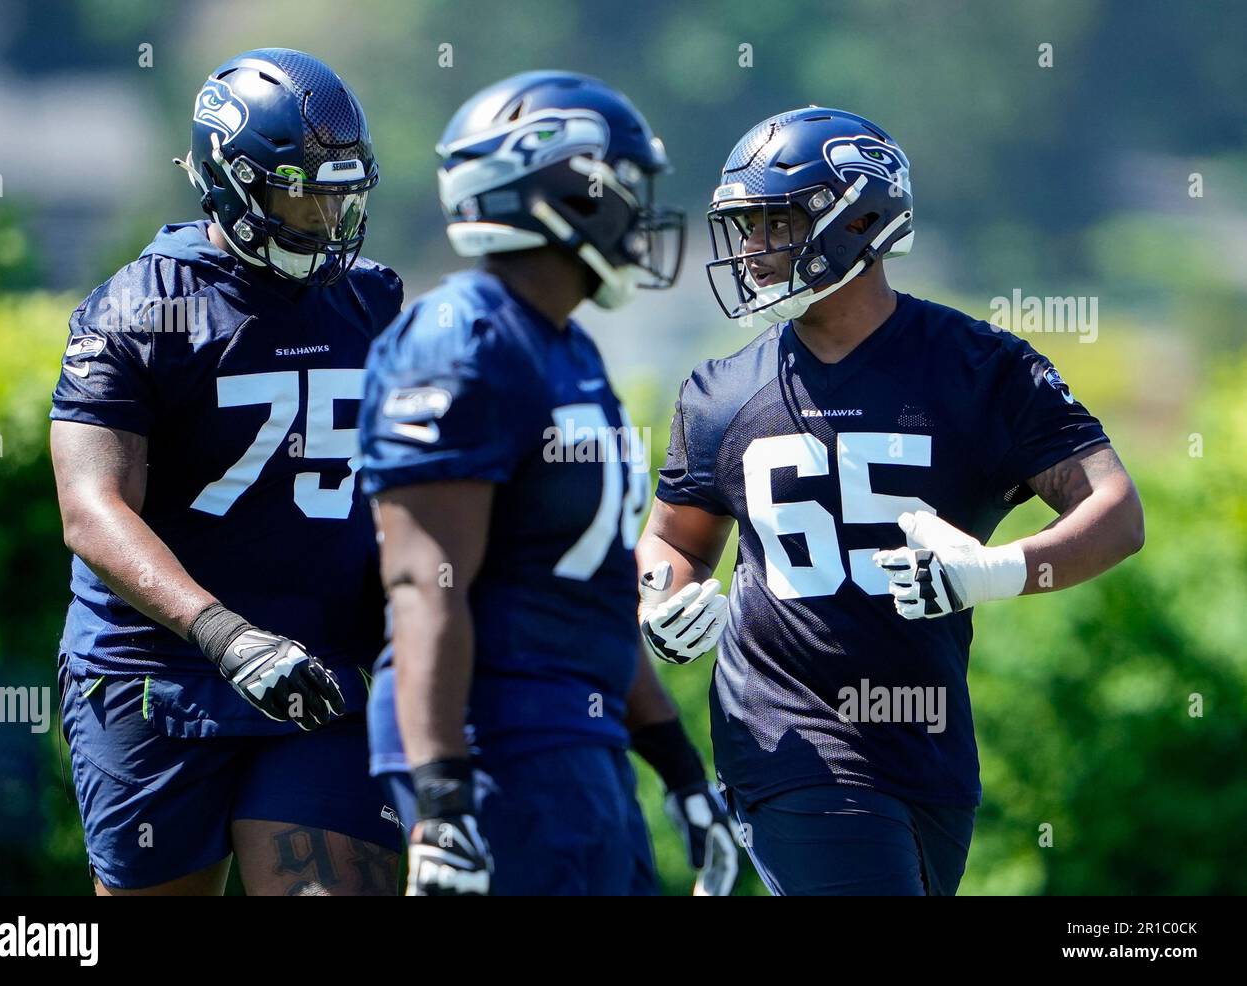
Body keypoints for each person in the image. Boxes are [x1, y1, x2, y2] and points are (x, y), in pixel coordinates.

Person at [636, 106, 1145, 895]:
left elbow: (1115, 511)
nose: (750, 248)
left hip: (929, 748)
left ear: (862, 218)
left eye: (774, 219)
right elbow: (674, 542)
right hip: (787, 742)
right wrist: (657, 604)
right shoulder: (720, 390)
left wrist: (997, 571)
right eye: (743, 225)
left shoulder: (980, 368)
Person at [359, 71, 736, 895]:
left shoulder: (567, 347)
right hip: (492, 745)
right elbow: (424, 582)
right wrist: (442, 799)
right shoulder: (461, 337)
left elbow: (593, 592)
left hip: (578, 742)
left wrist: (678, 768)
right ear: (564, 188)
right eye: (625, 185)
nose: (640, 211)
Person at [50, 48, 403, 895]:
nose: (325, 219)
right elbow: (92, 508)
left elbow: (410, 483)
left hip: (317, 671)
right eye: (300, 194)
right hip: (157, 671)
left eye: (340, 195)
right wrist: (228, 637)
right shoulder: (138, 310)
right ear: (232, 181)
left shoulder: (372, 299)